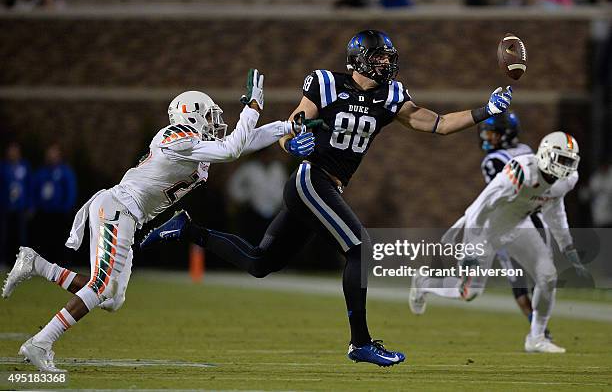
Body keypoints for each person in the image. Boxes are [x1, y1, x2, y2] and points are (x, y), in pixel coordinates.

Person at [141, 30, 514, 367]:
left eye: (388, 57)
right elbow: (292, 128)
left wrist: (486, 110)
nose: (386, 63)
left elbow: (438, 123)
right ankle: (360, 343)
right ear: (359, 58)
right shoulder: (326, 84)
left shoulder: (390, 96)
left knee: (260, 262)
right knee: (360, 248)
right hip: (310, 179)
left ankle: (187, 229)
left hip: (327, 187)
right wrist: (293, 144)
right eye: (380, 57)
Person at [1, 69, 313, 372]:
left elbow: (241, 143)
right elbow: (232, 149)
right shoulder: (176, 137)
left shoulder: (195, 145)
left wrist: (287, 127)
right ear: (191, 116)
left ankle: (36, 264)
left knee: (111, 297)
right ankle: (41, 342)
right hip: (118, 208)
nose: (215, 122)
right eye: (208, 116)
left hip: (125, 214)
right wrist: (252, 108)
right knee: (101, 287)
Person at [409, 131, 586, 353]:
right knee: (470, 292)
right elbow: (479, 206)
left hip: (519, 227)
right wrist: (471, 242)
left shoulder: (566, 180)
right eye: (561, 160)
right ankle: (424, 283)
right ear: (545, 154)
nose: (565, 167)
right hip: (485, 229)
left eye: (569, 161)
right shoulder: (521, 171)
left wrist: (566, 244)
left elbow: (555, 211)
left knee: (548, 276)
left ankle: (536, 338)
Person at [478, 111, 553, 339]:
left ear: (505, 134)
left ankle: (538, 329)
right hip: (535, 216)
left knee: (520, 279)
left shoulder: (493, 161)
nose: (486, 138)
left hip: (511, 223)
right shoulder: (527, 151)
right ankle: (539, 329)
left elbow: (499, 196)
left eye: (491, 134)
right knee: (534, 276)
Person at [31, 144, 78, 266]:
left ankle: (64, 263)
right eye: (49, 154)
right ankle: (46, 264)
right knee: (45, 238)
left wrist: (67, 207)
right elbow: (34, 190)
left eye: (54, 154)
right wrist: (34, 206)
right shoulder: (41, 172)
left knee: (61, 238)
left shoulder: (65, 172)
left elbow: (70, 190)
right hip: (44, 211)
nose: (51, 157)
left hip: (60, 212)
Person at [0, 143, 32, 269]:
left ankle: (21, 263)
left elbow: (30, 186)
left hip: (21, 208)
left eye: (15, 151)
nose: (12, 153)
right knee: (4, 236)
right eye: (10, 151)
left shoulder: (25, 166)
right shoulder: (3, 167)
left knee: (21, 237)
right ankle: (3, 261)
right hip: (5, 207)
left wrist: (30, 205)